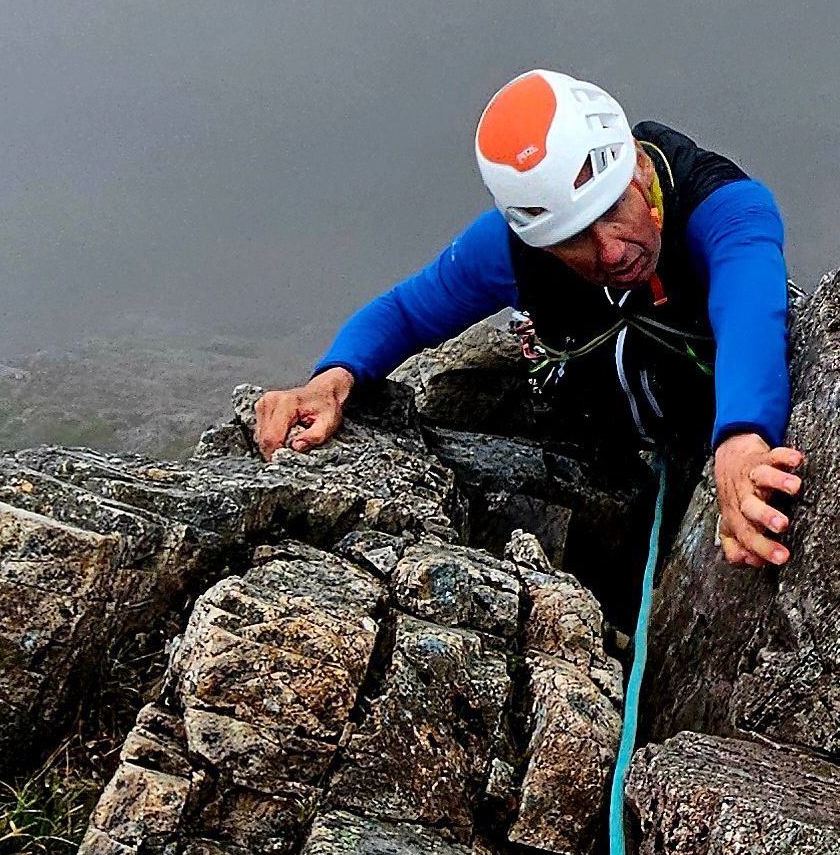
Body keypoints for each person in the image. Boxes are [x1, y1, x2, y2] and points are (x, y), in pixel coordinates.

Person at [255, 69, 803, 568]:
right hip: (602, 443)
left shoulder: (725, 206)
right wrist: (330, 381)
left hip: (706, 410)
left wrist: (741, 437)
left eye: (612, 209)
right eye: (572, 240)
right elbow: (406, 310)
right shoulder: (516, 248)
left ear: (638, 164)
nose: (610, 252)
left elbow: (749, 310)